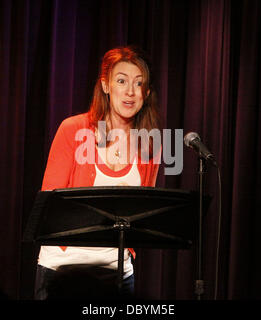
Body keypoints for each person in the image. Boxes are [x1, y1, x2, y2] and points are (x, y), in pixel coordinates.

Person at [34, 46, 162, 300]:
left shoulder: (151, 144)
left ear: (146, 93)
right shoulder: (73, 129)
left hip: (118, 273)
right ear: (105, 86)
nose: (130, 92)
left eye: (139, 84)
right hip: (62, 270)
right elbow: (49, 205)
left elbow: (144, 215)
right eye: (122, 81)